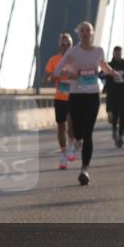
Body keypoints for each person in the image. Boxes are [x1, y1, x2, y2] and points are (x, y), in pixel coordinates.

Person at [54, 21, 116, 185]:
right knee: (79, 132)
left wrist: (112, 73)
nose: (85, 33)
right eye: (82, 30)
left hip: (92, 95)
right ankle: (75, 141)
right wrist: (69, 74)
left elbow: (103, 66)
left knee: (88, 133)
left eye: (88, 30)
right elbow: (57, 70)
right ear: (79, 34)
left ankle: (85, 169)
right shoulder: (73, 52)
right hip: (76, 95)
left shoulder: (98, 51)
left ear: (92, 33)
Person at [45, 33, 76, 169]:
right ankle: (63, 154)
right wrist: (56, 75)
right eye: (63, 44)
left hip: (74, 96)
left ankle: (71, 145)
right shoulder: (54, 60)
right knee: (61, 127)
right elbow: (46, 79)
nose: (65, 46)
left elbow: (84, 75)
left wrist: (72, 75)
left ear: (72, 45)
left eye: (68, 44)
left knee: (71, 123)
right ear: (59, 45)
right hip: (60, 97)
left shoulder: (76, 59)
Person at [104, 45, 124, 148]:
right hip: (112, 93)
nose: (118, 55)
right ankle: (114, 130)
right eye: (116, 53)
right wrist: (109, 74)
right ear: (113, 53)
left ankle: (121, 135)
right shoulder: (109, 65)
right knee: (114, 115)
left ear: (121, 54)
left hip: (123, 93)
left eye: (120, 53)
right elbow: (102, 74)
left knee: (122, 116)